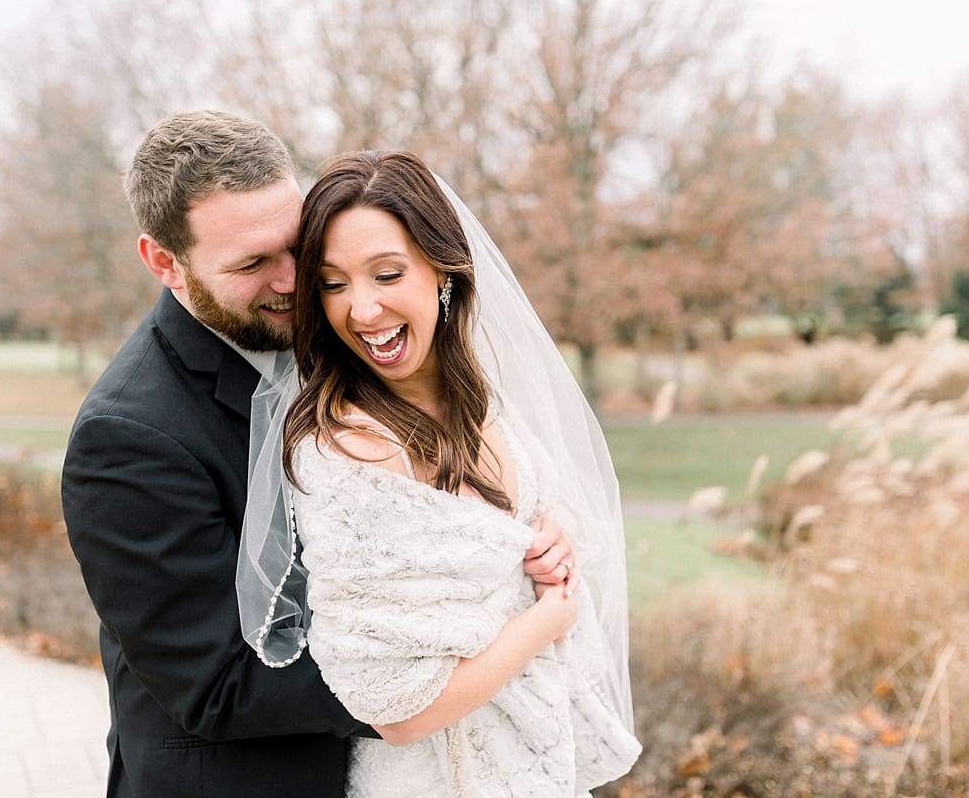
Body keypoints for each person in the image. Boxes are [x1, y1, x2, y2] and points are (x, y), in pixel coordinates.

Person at [63, 110, 577, 797]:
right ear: (165, 263)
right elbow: (218, 687)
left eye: (296, 247)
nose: (290, 281)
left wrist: (520, 541)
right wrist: (466, 659)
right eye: (251, 264)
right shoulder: (127, 438)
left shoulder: (350, 335)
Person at [237, 150, 641, 797]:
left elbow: (535, 511)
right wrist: (545, 620)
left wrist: (554, 536)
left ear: (441, 271)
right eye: (334, 283)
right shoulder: (345, 453)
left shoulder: (490, 401)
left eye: (387, 273)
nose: (362, 310)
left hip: (534, 765)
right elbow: (393, 710)